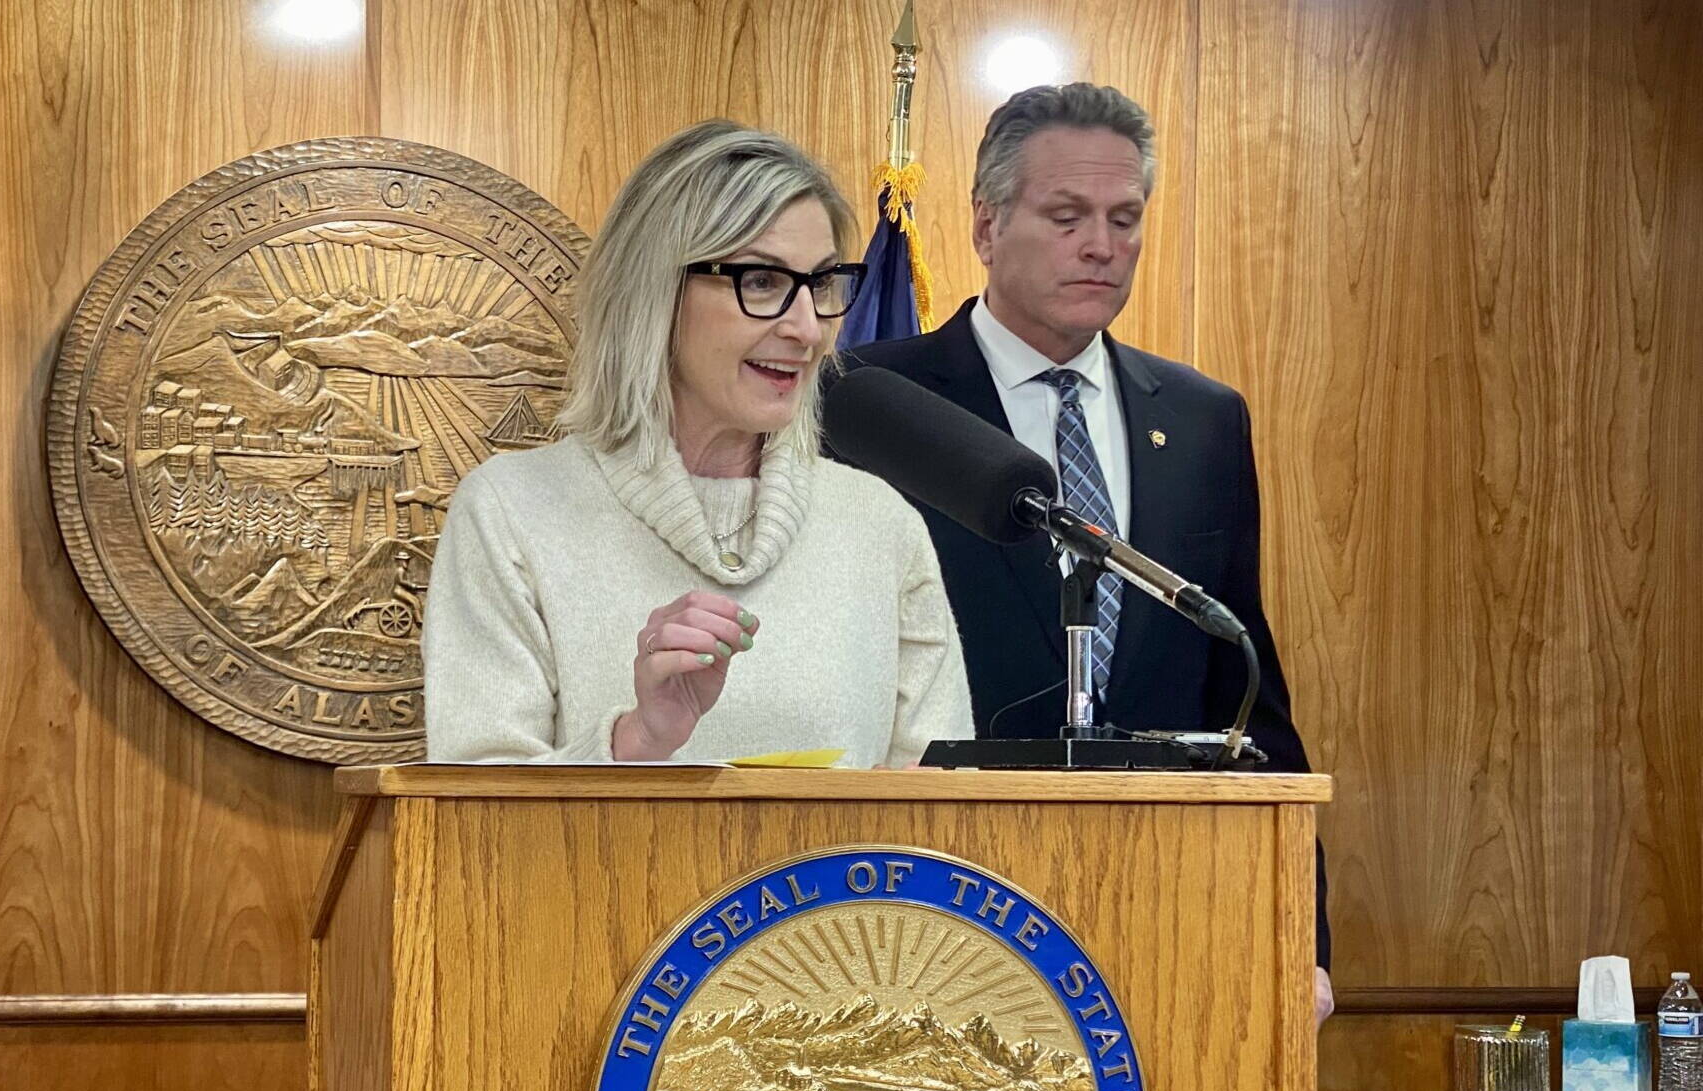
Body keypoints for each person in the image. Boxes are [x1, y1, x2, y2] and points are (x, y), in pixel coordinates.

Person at [835, 84, 1334, 1019]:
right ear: (986, 226)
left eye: (1124, 218)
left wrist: (1297, 935)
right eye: (1066, 216)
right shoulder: (872, 404)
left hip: (1165, 908)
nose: (1101, 245)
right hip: (943, 910)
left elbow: (1244, 696)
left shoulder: (1201, 420)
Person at [423, 121, 971, 766]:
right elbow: (470, 820)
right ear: (653, 292)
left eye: (823, 283)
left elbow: (940, 818)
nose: (807, 328)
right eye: (762, 282)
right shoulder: (513, 511)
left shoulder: (878, 524)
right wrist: (637, 744)